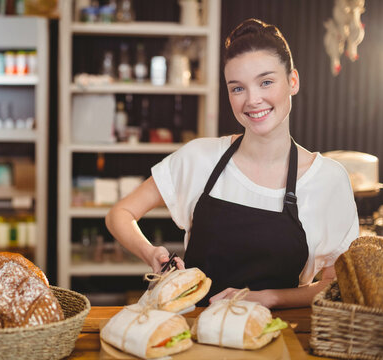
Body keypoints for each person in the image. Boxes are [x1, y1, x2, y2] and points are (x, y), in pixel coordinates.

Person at [105, 18, 359, 309]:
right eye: (237, 88)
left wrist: (267, 298)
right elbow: (119, 214)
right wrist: (150, 252)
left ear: (293, 81)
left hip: (274, 337)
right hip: (189, 332)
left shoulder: (327, 180)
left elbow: (336, 285)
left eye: (266, 82)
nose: (252, 100)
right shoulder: (200, 157)